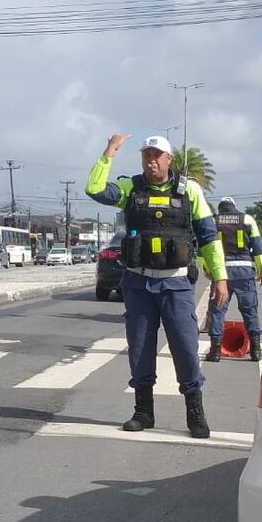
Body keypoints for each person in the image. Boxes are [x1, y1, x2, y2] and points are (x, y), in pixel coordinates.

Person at [85, 134, 228, 439]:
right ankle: (143, 411)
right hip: (137, 282)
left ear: (169, 159)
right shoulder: (130, 188)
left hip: (175, 283)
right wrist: (109, 151)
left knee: (186, 348)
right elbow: (94, 189)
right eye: (146, 156)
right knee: (140, 348)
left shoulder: (189, 190)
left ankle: (195, 412)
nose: (151, 161)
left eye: (157, 155)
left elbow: (208, 236)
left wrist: (220, 276)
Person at [204, 196, 262, 362]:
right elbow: (259, 248)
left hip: (221, 272)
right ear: (234, 206)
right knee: (250, 310)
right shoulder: (247, 219)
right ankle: (255, 351)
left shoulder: (213, 221)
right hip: (244, 271)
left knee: (218, 310)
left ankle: (215, 352)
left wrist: (207, 269)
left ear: (220, 208)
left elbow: (205, 248)